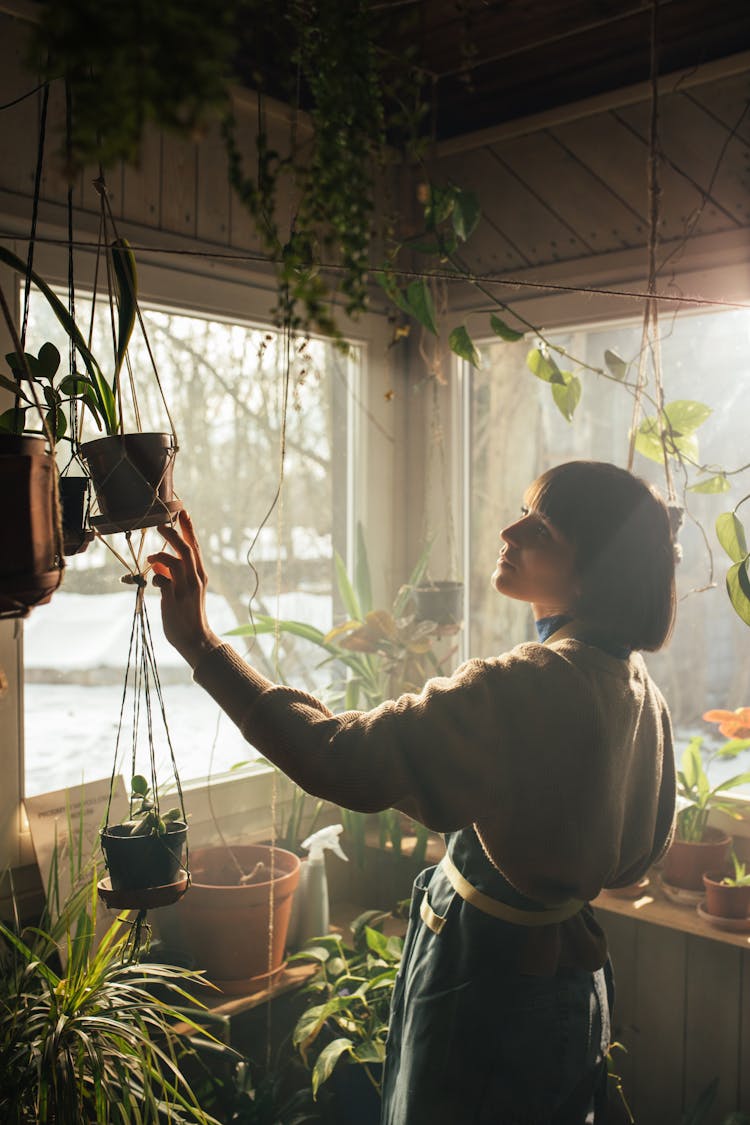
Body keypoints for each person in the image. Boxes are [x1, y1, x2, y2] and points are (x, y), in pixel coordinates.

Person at [148, 459, 677, 1125]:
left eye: (540, 527)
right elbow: (637, 852)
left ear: (591, 569)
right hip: (572, 986)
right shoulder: (639, 688)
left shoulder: (529, 685)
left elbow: (337, 756)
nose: (509, 529)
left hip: (490, 990)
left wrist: (200, 643)